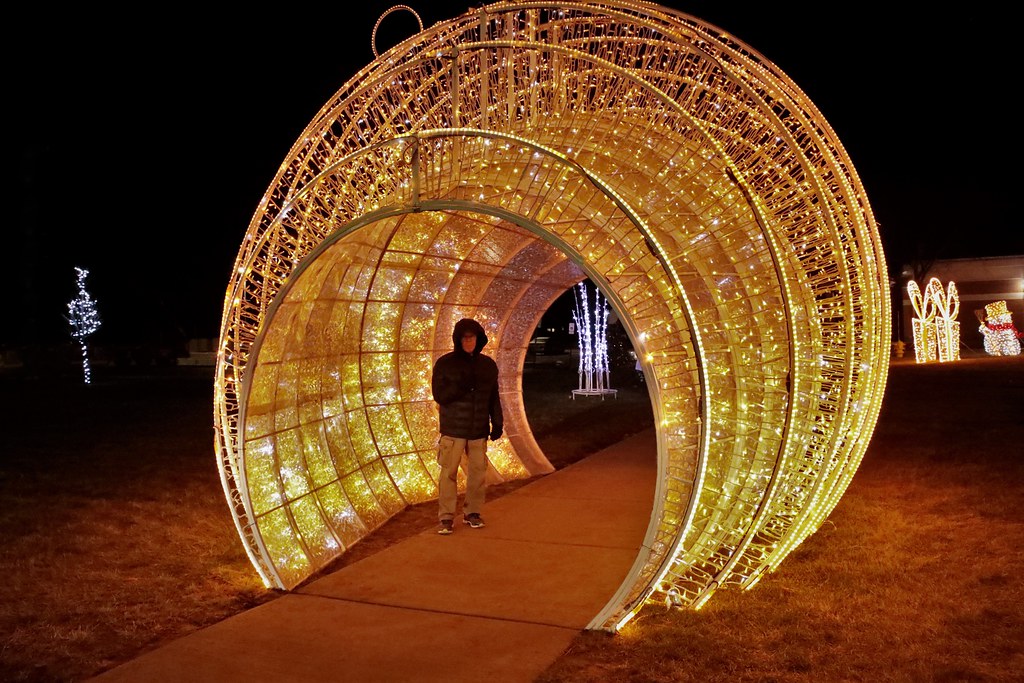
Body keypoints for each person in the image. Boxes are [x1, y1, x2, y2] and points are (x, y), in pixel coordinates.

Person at [431, 318, 503, 535]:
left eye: (472, 338)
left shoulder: (487, 365)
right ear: (458, 340)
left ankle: (472, 512)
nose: (469, 342)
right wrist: (461, 387)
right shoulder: (445, 364)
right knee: (448, 473)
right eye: (465, 338)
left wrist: (497, 421)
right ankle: (446, 516)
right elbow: (440, 396)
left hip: (478, 429)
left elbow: (493, 397)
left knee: (478, 473)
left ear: (479, 339)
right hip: (453, 430)